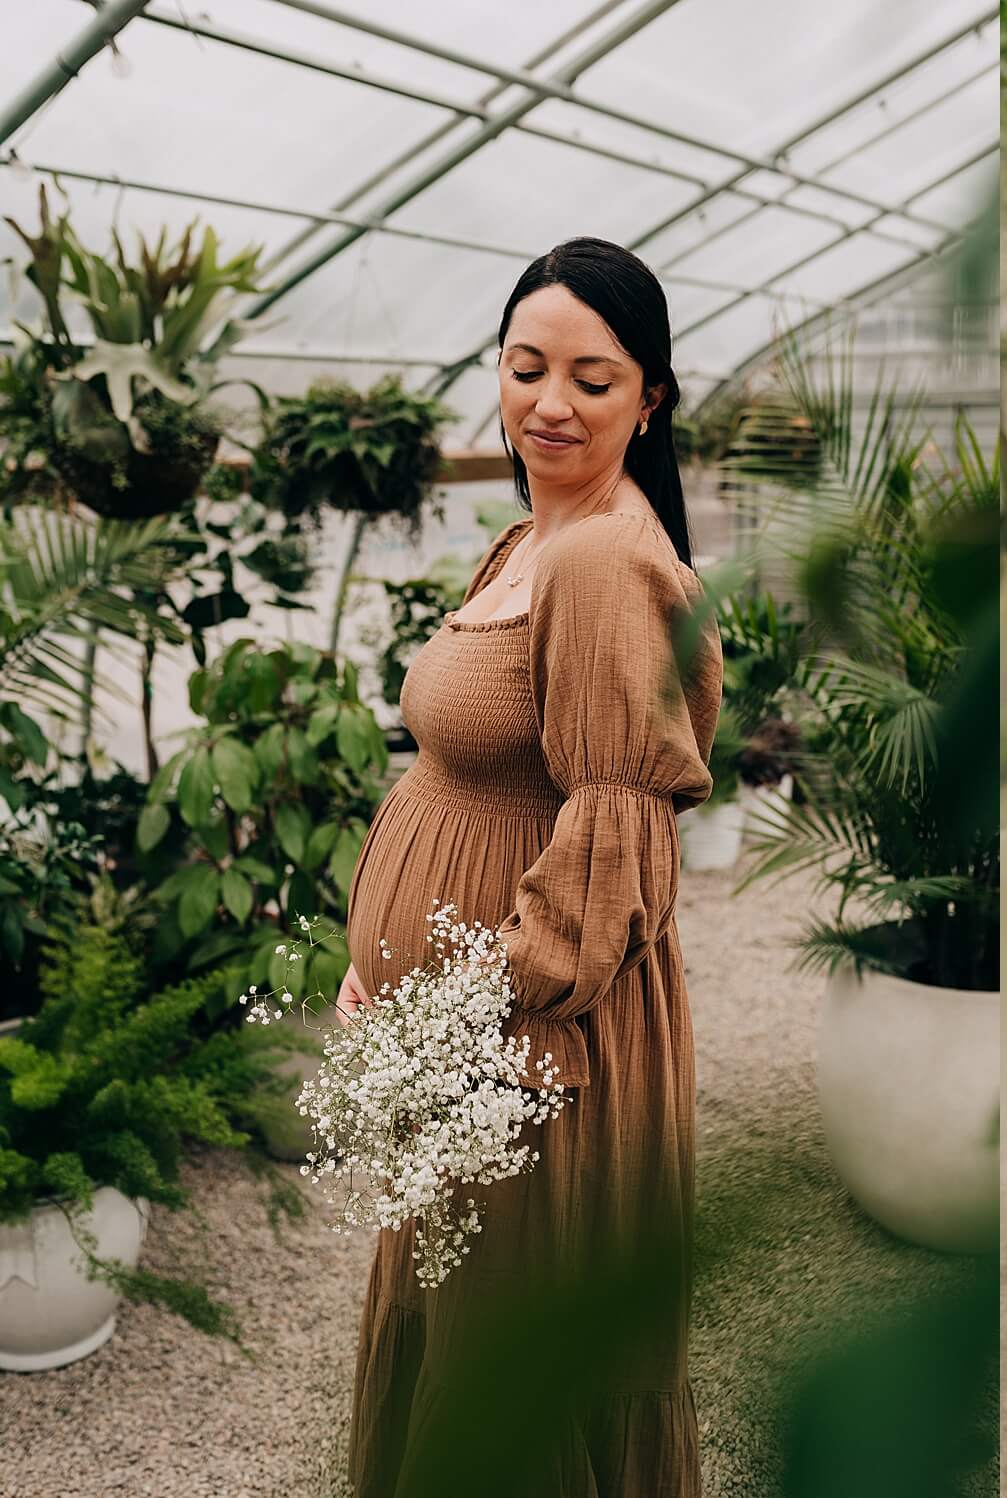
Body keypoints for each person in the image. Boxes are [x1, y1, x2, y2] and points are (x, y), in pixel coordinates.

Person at [337, 237, 722, 1497]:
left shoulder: (607, 556)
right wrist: (376, 974)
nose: (549, 402)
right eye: (525, 366)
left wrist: (443, 1007)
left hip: (532, 1039)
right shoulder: (527, 540)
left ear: (649, 398)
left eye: (593, 379)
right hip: (465, 1034)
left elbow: (620, 839)